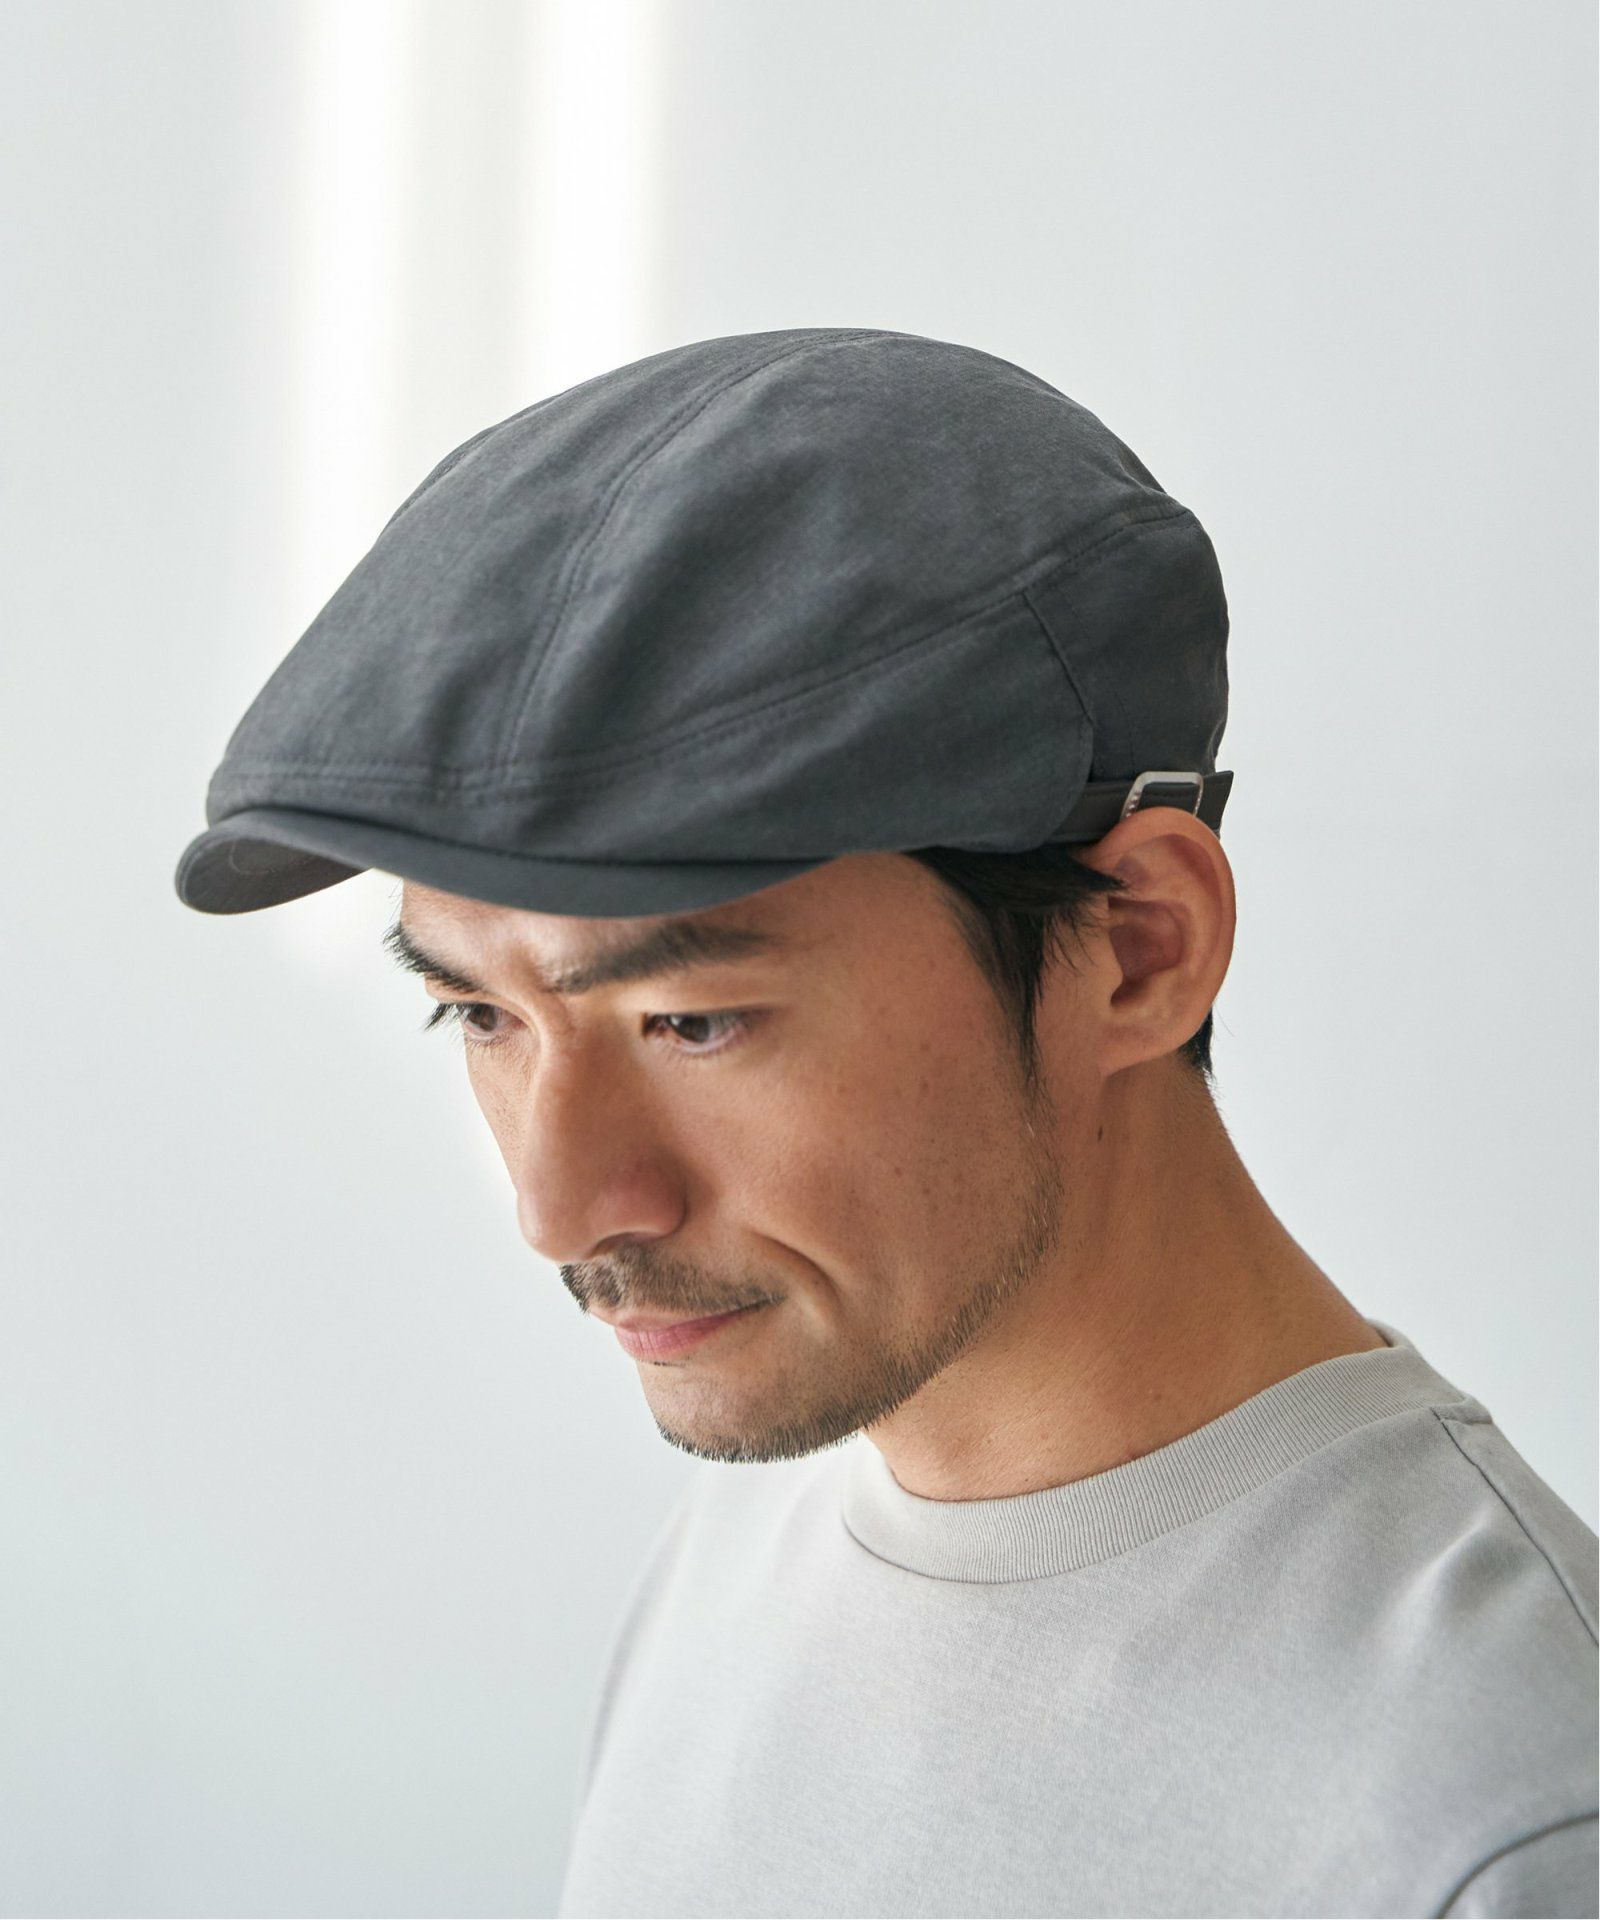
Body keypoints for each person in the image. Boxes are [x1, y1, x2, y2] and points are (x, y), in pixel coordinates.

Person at [174, 327, 1597, 1919]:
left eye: (691, 1021)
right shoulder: (749, 1537)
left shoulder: (1501, 1814)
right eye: (483, 1016)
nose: (561, 1209)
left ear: (1139, 947)